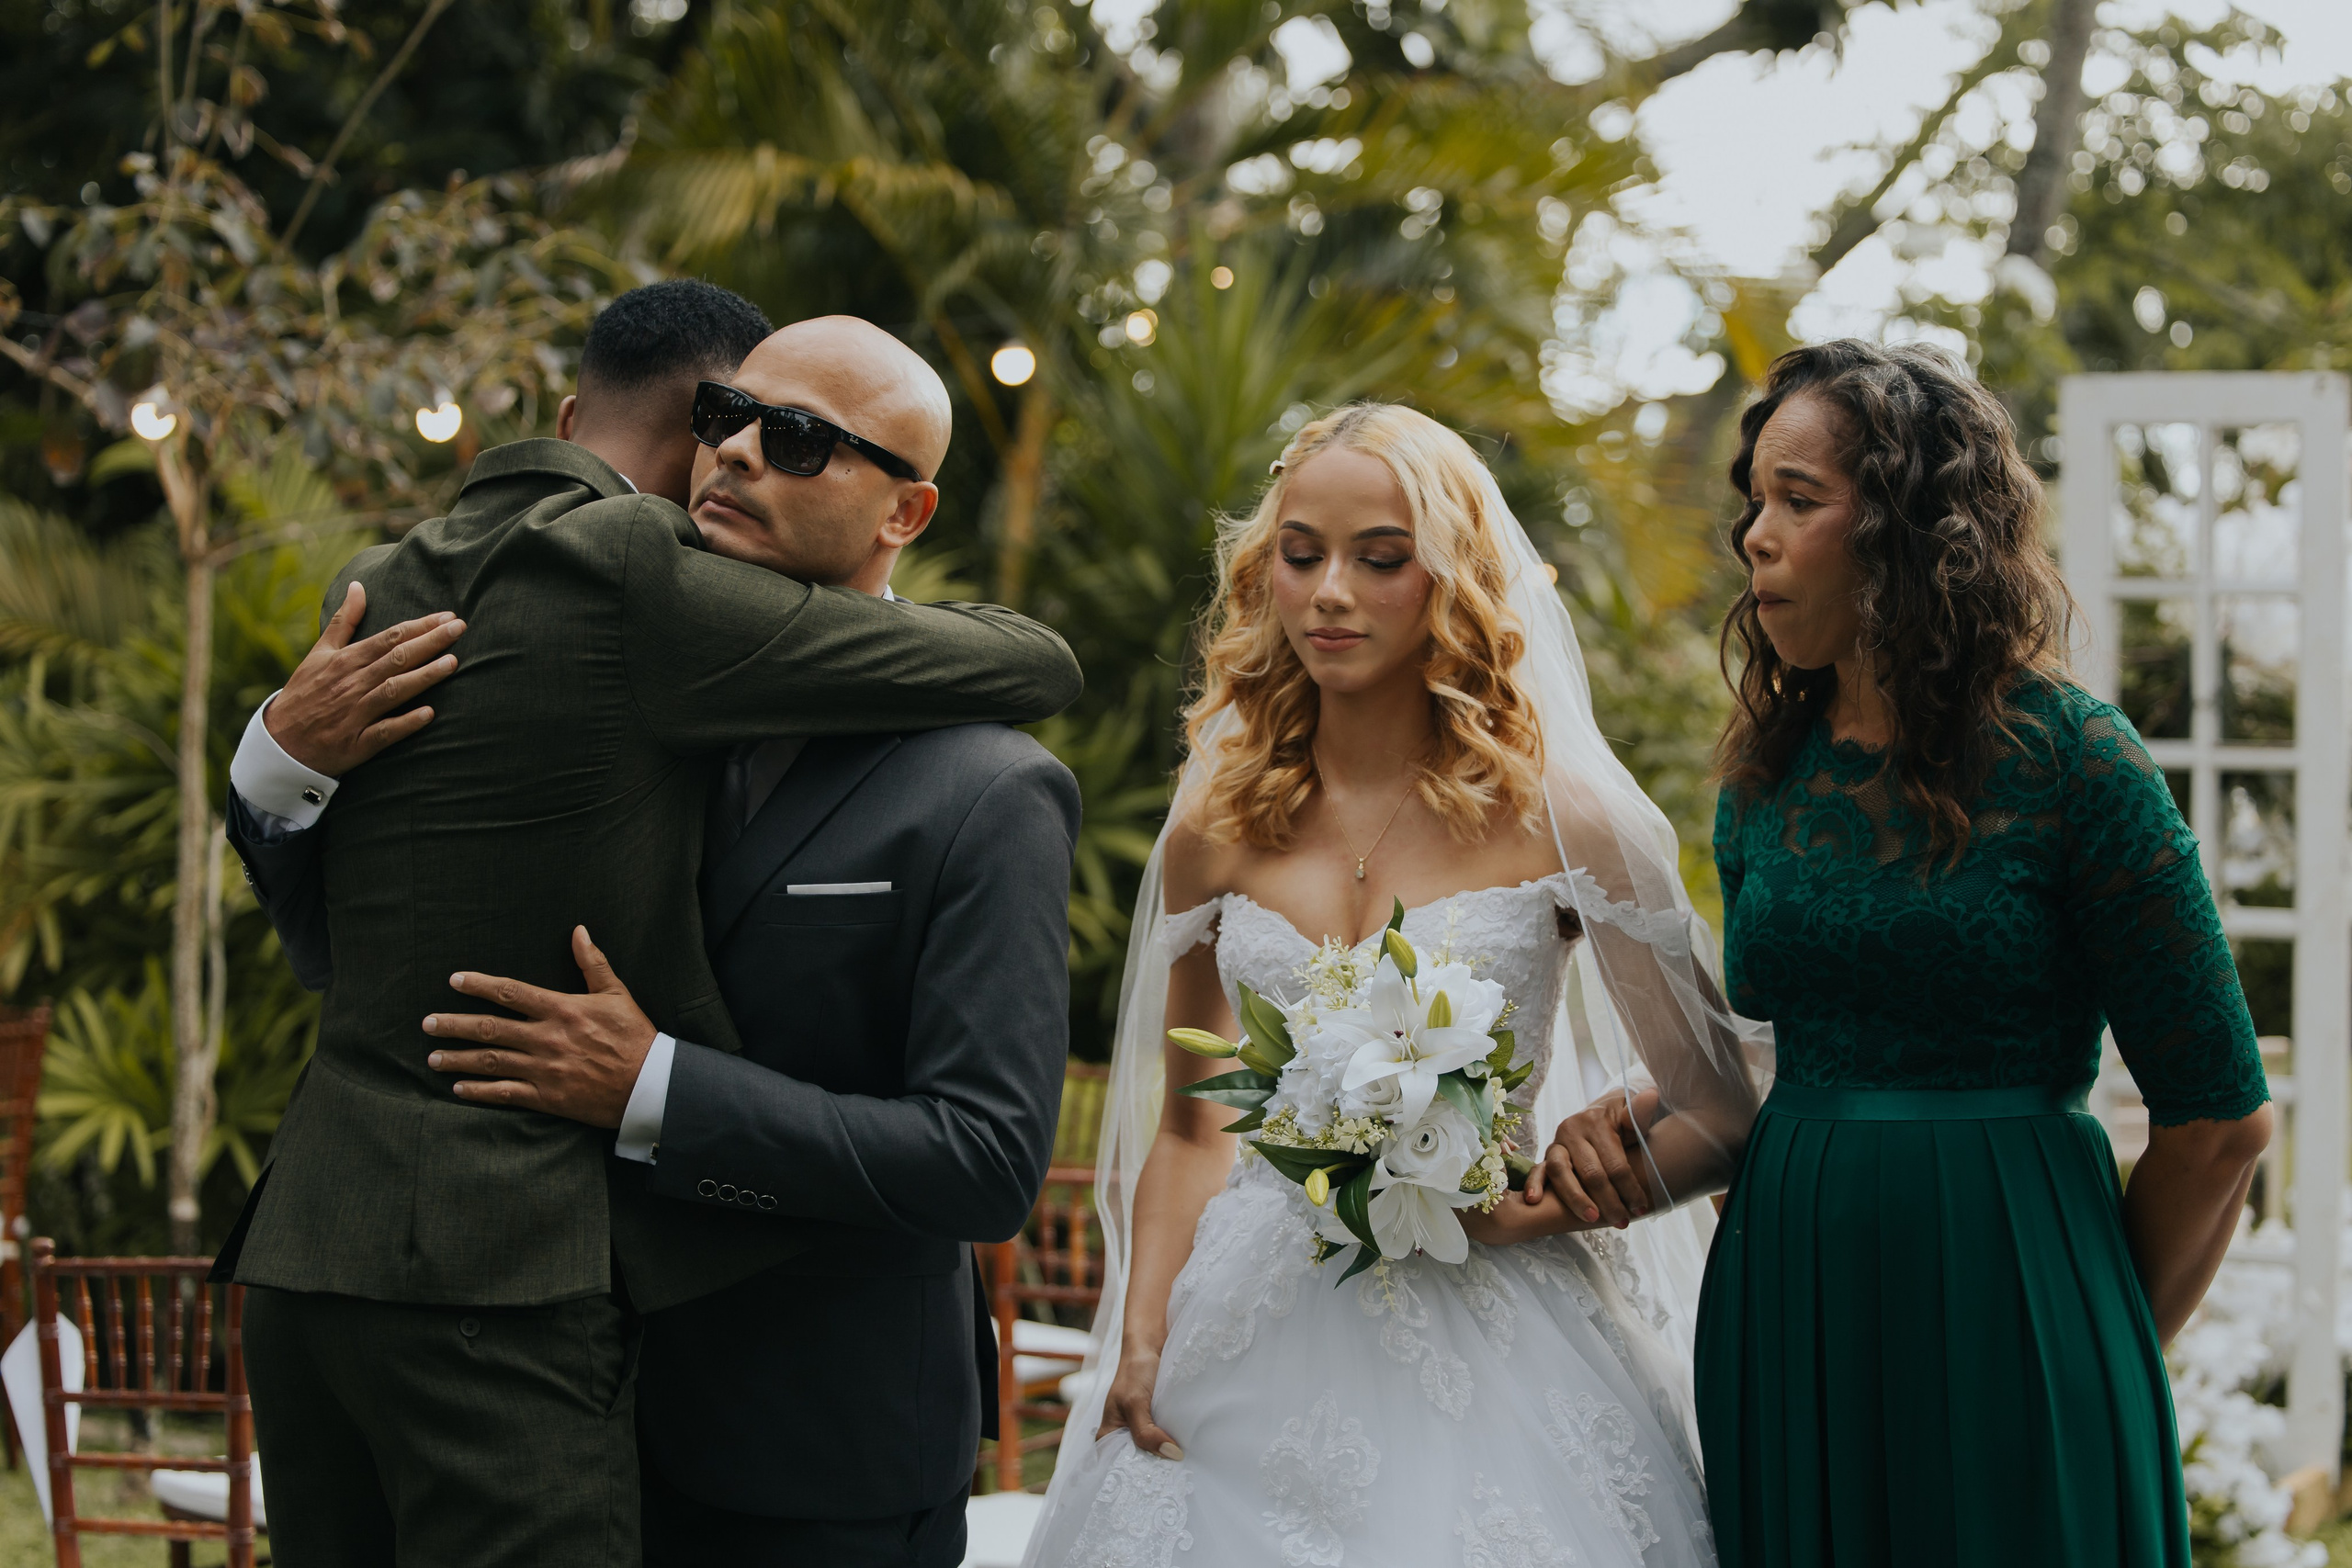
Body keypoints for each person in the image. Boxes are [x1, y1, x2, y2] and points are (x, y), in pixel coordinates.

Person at [218, 287, 1083, 1567]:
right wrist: (277, 762)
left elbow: (985, 1158)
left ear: (906, 510)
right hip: (559, 1394)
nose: (730, 451)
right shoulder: (590, 669)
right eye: (724, 418)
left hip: (814, 1435)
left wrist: (656, 1088)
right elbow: (361, 946)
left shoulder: (985, 787)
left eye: (795, 440)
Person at [1022, 403, 1761, 1568]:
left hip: (1506, 1335)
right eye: (1300, 554)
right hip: (1247, 1330)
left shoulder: (1569, 822)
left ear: (1454, 579)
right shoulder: (1211, 831)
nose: (1328, 593)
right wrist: (1145, 1332)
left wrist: (1547, 1203)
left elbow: (1721, 1108)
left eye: (1380, 560)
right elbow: (1188, 1131)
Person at [1685, 339, 2271, 1566]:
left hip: (2019, 1289)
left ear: (1910, 526)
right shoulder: (1765, 774)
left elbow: (2219, 1119)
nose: (1757, 535)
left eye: (1800, 499)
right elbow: (1756, 1050)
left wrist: (2086, 1333)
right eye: (1756, 500)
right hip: (1794, 1313)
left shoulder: (2075, 761)